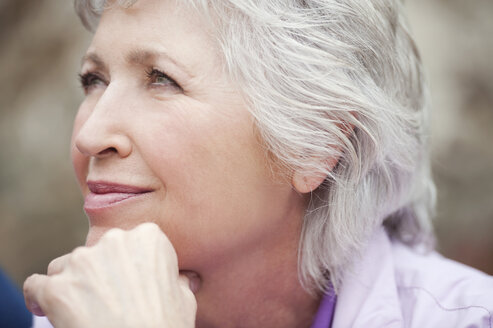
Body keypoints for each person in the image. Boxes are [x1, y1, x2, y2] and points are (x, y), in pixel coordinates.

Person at [23, 0, 493, 327]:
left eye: (161, 79)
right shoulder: (76, 312)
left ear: (316, 144)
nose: (89, 135)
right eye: (93, 79)